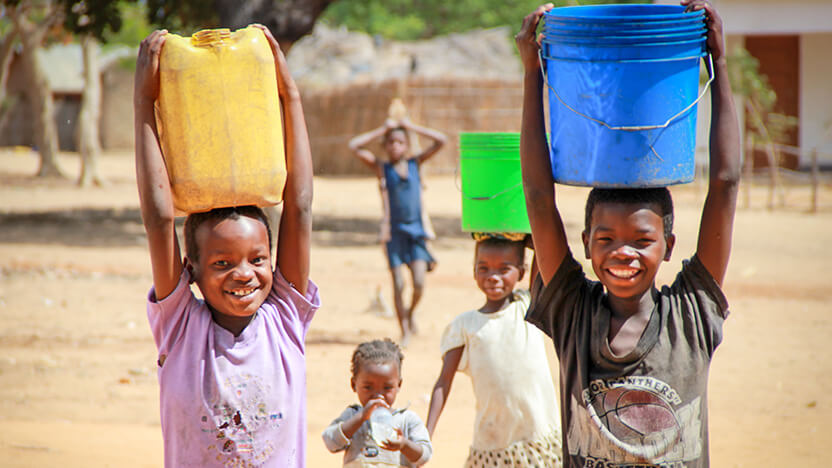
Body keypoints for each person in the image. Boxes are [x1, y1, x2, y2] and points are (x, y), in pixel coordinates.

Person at [515, 0, 741, 466]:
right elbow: (539, 197)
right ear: (585, 245)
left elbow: (725, 184)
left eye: (642, 241)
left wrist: (717, 64)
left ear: (668, 246)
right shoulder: (571, 313)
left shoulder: (690, 315)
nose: (623, 253)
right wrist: (532, 73)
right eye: (606, 240)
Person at [134, 25, 319, 467]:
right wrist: (143, 102)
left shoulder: (285, 320)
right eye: (222, 262)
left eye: (258, 259)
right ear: (190, 270)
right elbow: (160, 220)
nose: (243, 273)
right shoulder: (180, 328)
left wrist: (289, 96)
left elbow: (300, 207)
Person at [426, 234, 563, 467]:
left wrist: (531, 240)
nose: (493, 277)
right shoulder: (464, 326)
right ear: (474, 272)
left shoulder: (528, 307)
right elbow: (443, 381)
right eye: (484, 268)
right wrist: (426, 434)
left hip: (537, 439)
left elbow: (545, 254)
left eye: (504, 269)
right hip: (492, 445)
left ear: (521, 272)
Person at [348, 114, 447, 345]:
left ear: (407, 145)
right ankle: (404, 329)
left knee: (419, 282)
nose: (395, 146)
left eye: (400, 142)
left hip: (417, 232)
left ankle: (410, 312)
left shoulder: (415, 163)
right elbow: (354, 146)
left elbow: (441, 140)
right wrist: (382, 129)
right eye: (391, 142)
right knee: (399, 283)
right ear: (385, 145)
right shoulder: (382, 168)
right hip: (393, 234)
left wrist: (411, 127)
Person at [322, 338, 432, 467]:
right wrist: (361, 418)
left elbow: (425, 455)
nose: (378, 395)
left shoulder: (407, 420)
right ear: (353, 385)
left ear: (399, 385)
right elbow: (330, 442)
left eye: (387, 388)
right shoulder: (352, 416)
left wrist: (404, 445)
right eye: (368, 387)